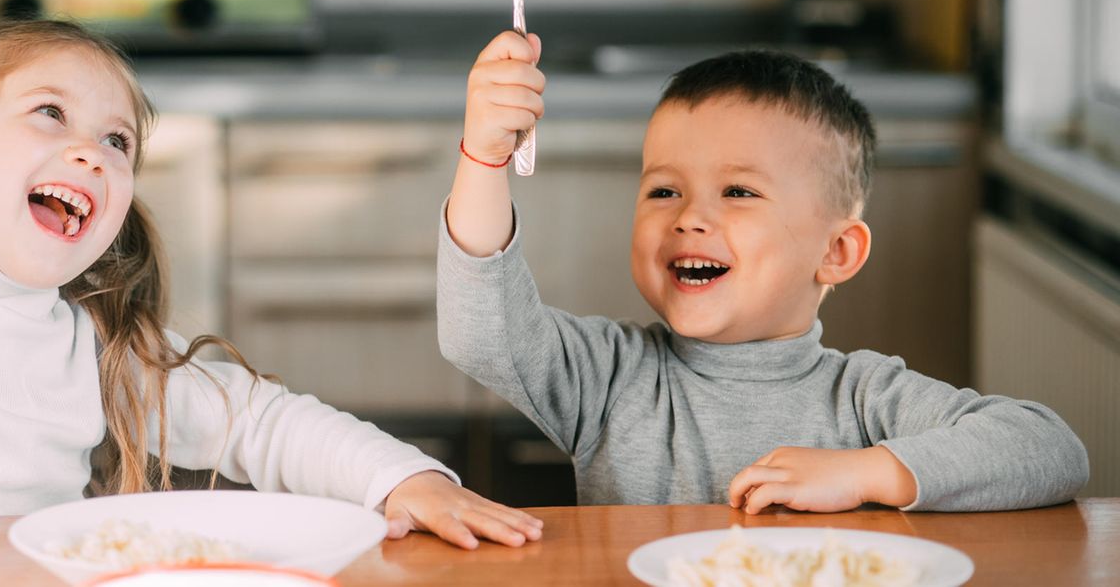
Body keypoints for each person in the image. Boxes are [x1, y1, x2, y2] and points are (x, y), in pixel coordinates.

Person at [0, 15, 542, 550]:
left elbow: (260, 423)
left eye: (118, 142)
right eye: (50, 114)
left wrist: (404, 479)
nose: (93, 153)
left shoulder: (96, 347)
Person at [438, 31, 1089, 512]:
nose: (689, 218)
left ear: (836, 253)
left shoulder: (864, 398)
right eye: (664, 192)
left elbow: (1051, 449)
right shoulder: (606, 378)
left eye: (739, 193)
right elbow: (481, 333)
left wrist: (867, 473)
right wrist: (483, 156)